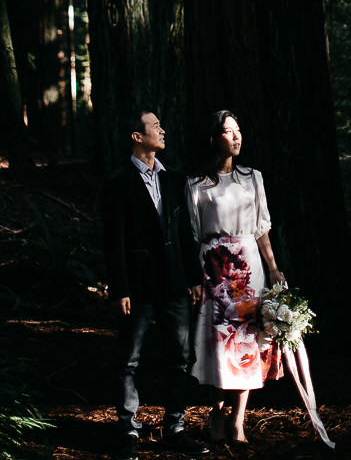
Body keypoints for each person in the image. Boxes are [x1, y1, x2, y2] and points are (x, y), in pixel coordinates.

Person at [101, 111, 209, 460]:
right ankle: (127, 429)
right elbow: (113, 241)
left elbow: (185, 233)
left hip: (175, 284)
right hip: (137, 288)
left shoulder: (175, 178)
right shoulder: (117, 182)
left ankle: (174, 427)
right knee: (129, 360)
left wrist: (193, 277)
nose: (163, 130)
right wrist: (119, 289)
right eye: (155, 126)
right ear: (137, 136)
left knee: (179, 358)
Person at [186, 110, 285, 447]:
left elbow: (261, 229)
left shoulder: (253, 178)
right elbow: (193, 234)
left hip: (248, 269)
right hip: (214, 272)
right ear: (214, 138)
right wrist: (195, 277)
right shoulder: (196, 184)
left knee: (246, 343)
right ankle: (215, 411)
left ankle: (238, 417)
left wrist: (272, 268)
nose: (236, 136)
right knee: (216, 345)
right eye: (228, 132)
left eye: (239, 130)